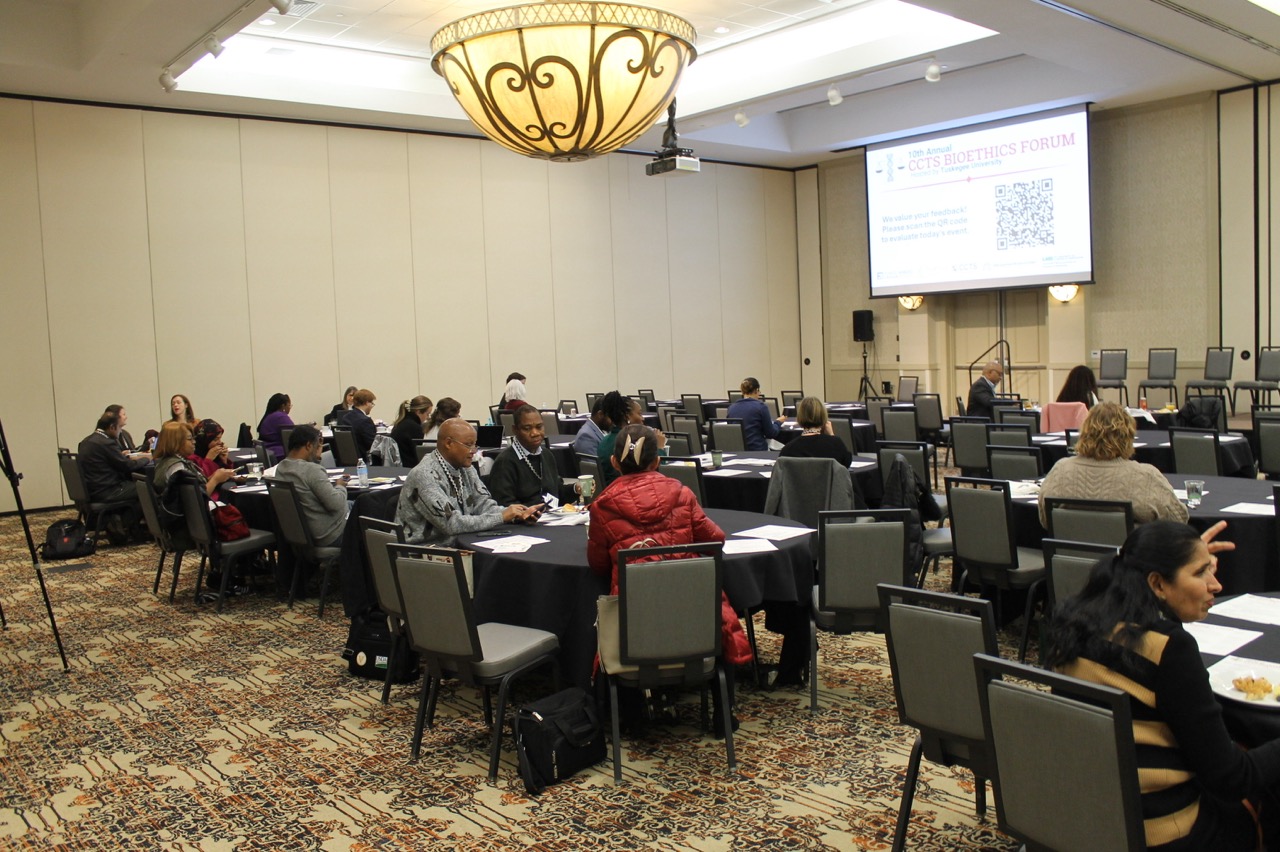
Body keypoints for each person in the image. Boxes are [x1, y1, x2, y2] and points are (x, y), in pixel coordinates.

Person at [1042, 520, 1280, 850]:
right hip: (1160, 834)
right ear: (1157, 583)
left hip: (1088, 813)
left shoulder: (1074, 619)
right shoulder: (1169, 649)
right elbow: (1231, 779)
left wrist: (1184, 561)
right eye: (1201, 573)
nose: (1216, 585)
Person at [587, 423, 753, 731]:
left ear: (613, 463)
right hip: (690, 615)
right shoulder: (681, 493)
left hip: (635, 620)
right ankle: (723, 714)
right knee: (716, 608)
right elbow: (714, 541)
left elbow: (597, 565)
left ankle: (634, 718)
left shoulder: (601, 507)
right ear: (657, 461)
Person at [1038, 401, 1187, 527]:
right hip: (1126, 553)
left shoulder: (1060, 471)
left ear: (1084, 432)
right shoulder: (1145, 477)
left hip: (1070, 553)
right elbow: (1179, 520)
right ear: (1128, 436)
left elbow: (1045, 520)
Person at [395, 418, 541, 546]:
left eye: (475, 445)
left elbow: (483, 504)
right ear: (449, 443)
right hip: (424, 551)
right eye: (469, 445)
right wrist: (501, 517)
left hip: (460, 543)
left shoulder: (466, 468)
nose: (474, 451)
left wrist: (516, 514)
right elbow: (451, 524)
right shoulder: (424, 475)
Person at [152, 421, 236, 548]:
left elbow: (193, 488)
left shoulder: (167, 462)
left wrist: (213, 476)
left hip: (184, 523)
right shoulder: (177, 468)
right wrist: (215, 480)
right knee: (238, 515)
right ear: (176, 442)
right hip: (189, 528)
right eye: (190, 439)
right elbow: (195, 500)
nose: (194, 442)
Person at [273, 424, 349, 548]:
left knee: (354, 504)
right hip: (330, 534)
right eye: (317, 446)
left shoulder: (281, 468)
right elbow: (336, 505)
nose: (319, 449)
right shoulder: (312, 470)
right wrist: (340, 486)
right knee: (366, 507)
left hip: (305, 534)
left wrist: (315, 457)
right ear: (308, 445)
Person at [76, 410, 150, 536]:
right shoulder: (106, 442)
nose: (120, 432)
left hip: (92, 490)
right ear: (111, 427)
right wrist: (146, 459)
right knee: (146, 487)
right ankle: (131, 527)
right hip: (107, 490)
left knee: (137, 486)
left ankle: (122, 524)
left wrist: (119, 456)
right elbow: (127, 466)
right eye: (119, 428)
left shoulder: (87, 441)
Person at [489, 404, 562, 507]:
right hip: (524, 516)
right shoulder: (505, 462)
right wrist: (531, 511)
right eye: (527, 428)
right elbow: (504, 505)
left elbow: (557, 492)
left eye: (539, 427)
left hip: (550, 514)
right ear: (515, 430)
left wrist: (575, 489)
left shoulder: (546, 455)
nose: (535, 433)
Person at [597, 392, 665, 488]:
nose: (642, 418)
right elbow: (655, 473)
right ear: (627, 416)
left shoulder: (604, 441)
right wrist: (660, 448)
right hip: (630, 492)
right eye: (639, 413)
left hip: (611, 491)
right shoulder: (630, 444)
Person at [777, 396, 852, 468]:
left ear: (799, 417)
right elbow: (846, 463)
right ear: (823, 416)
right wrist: (832, 435)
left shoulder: (788, 450)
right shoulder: (835, 445)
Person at [727, 377, 787, 451]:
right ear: (756, 390)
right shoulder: (761, 407)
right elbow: (771, 433)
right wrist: (778, 422)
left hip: (738, 451)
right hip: (758, 450)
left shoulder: (731, 408)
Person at [390, 396, 433, 467]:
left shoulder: (400, 423)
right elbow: (418, 455)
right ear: (418, 412)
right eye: (427, 414)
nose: (428, 417)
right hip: (408, 467)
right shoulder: (415, 428)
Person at [340, 389, 377, 461]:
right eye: (372, 403)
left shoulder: (345, 418)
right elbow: (373, 445)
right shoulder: (365, 421)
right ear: (367, 403)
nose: (372, 406)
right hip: (364, 459)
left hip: (348, 459)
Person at [256, 393, 294, 460]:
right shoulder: (280, 416)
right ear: (283, 406)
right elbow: (293, 433)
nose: (289, 408)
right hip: (278, 452)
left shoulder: (270, 416)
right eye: (289, 405)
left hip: (267, 450)